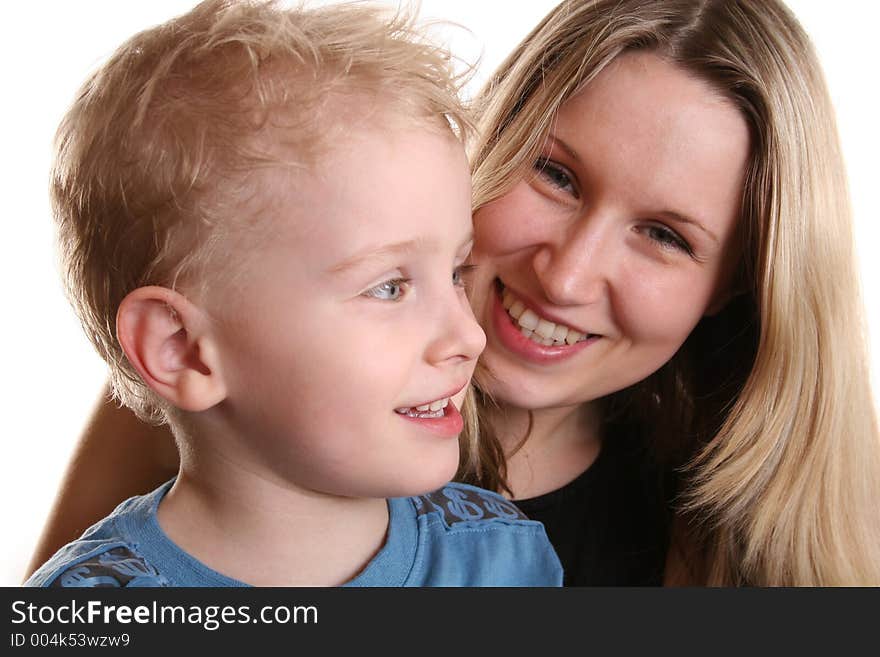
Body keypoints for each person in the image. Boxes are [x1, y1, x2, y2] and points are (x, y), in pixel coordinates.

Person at [26, 0, 880, 587]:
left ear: (735, 288)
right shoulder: (223, 369)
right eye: (555, 173)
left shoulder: (714, 533)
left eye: (664, 235)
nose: (568, 274)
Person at [25, 0, 562, 587]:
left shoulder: (504, 561)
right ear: (182, 348)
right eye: (389, 287)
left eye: (456, 272)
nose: (468, 335)